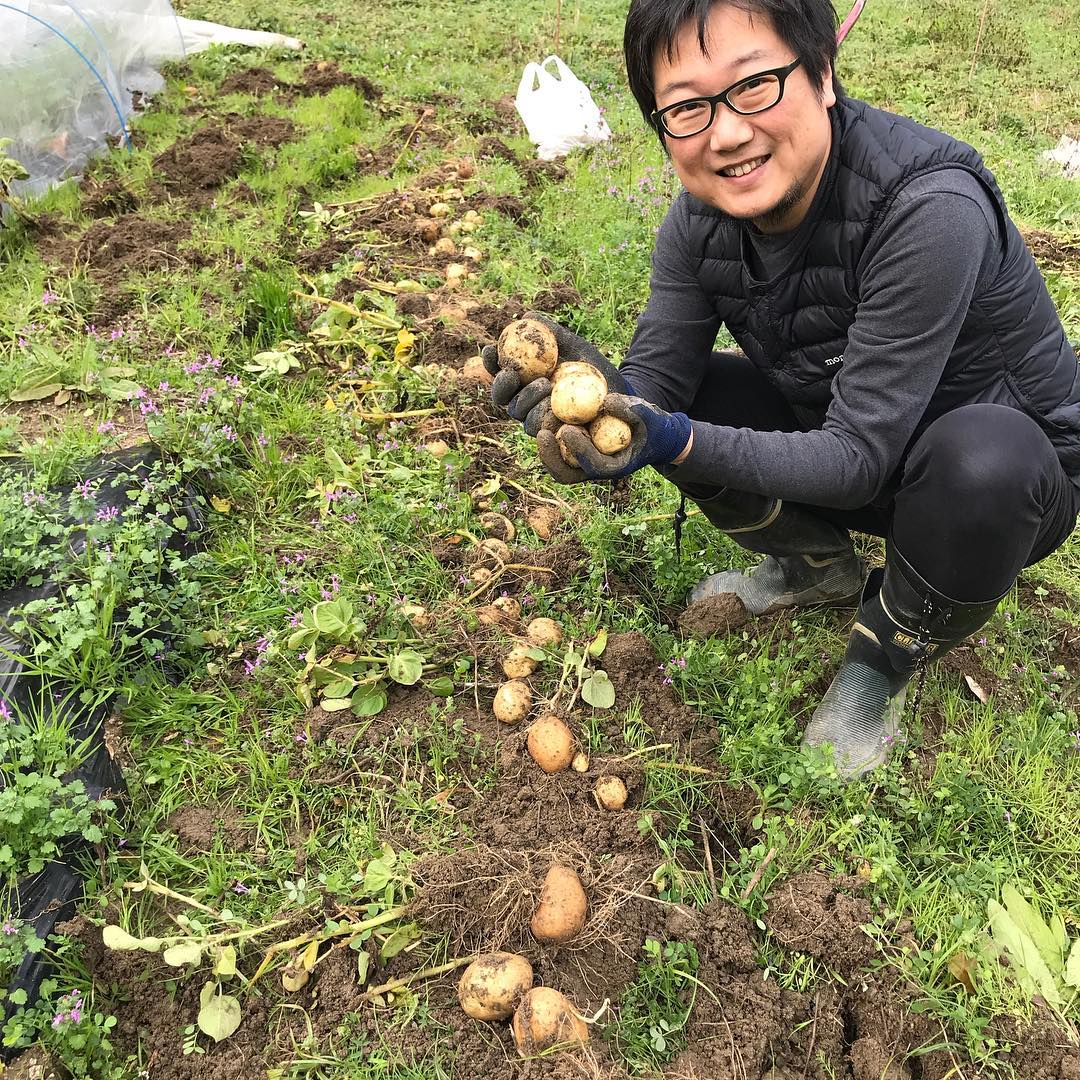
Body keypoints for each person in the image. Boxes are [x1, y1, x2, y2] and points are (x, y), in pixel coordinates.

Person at [483, 0, 1080, 779]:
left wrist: (672, 438)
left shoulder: (929, 207)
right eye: (687, 107)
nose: (727, 133)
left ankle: (888, 652)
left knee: (983, 458)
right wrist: (598, 399)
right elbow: (655, 392)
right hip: (850, 439)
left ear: (822, 73)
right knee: (680, 406)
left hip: (1001, 484)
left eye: (754, 85)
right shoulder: (697, 224)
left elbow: (858, 458)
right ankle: (815, 566)